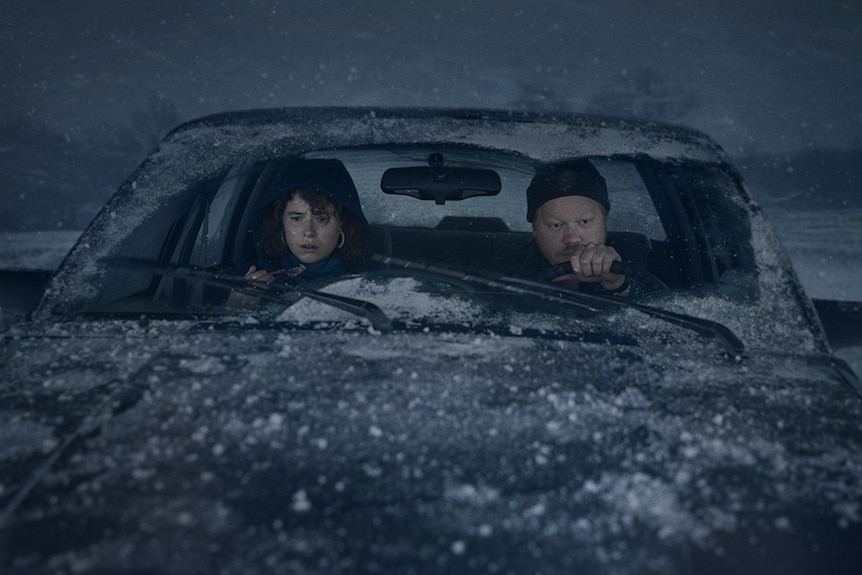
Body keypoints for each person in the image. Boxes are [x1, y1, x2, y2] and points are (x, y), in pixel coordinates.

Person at [228, 158, 368, 307]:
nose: (308, 232)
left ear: (342, 224)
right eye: (296, 218)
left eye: (321, 219)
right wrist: (234, 309)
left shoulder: (366, 283)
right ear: (281, 223)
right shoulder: (249, 281)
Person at [507, 159, 655, 299]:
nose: (572, 238)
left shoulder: (647, 265)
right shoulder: (505, 275)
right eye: (556, 225)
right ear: (535, 229)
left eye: (584, 222)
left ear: (604, 222)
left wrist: (619, 285)